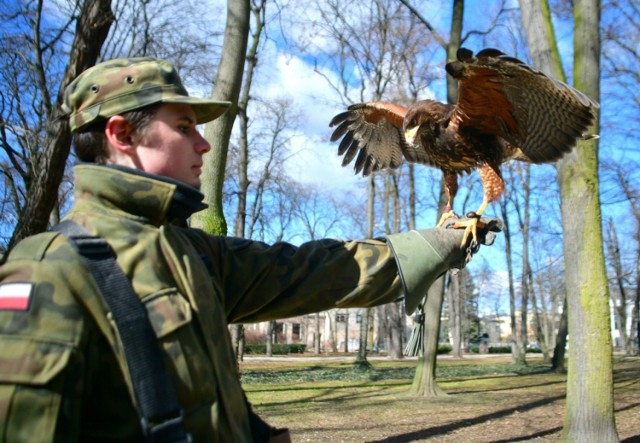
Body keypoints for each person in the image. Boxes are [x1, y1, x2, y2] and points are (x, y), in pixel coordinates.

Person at [0, 57, 500, 442]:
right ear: (122, 134)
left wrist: (442, 244)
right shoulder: (50, 272)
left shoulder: (191, 253)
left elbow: (318, 271)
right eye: (184, 127)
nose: (204, 144)